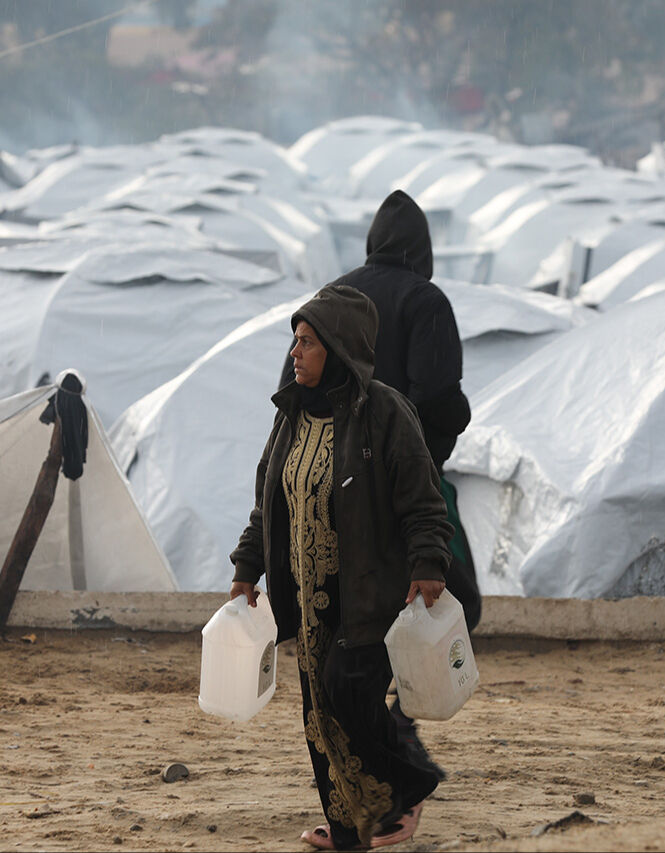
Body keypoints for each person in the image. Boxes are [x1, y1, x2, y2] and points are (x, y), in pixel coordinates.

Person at [231, 284, 454, 850]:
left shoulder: (383, 412)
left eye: (306, 342)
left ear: (335, 347)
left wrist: (429, 561)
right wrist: (247, 567)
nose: (295, 354)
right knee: (318, 712)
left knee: (347, 692)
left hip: (368, 593)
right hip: (306, 597)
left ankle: (409, 783)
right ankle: (350, 829)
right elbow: (268, 502)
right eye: (294, 342)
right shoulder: (290, 416)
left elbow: (422, 498)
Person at [283, 189, 481, 778]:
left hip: (328, 487)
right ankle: (398, 750)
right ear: (423, 251)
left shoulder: (332, 298)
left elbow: (296, 399)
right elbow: (440, 398)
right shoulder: (426, 301)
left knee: (348, 622)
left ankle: (372, 759)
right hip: (399, 485)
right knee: (449, 599)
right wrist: (423, 459)